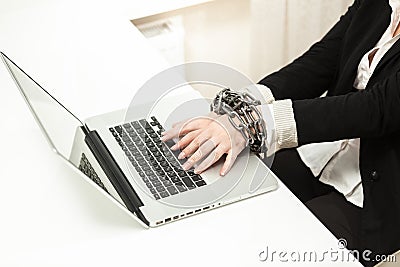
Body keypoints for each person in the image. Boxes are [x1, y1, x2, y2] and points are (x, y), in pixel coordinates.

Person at [162, 0, 400, 266]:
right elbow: (323, 60)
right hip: (323, 152)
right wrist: (239, 107)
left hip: (378, 192)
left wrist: (255, 123)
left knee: (285, 247)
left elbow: (377, 108)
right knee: (222, 191)